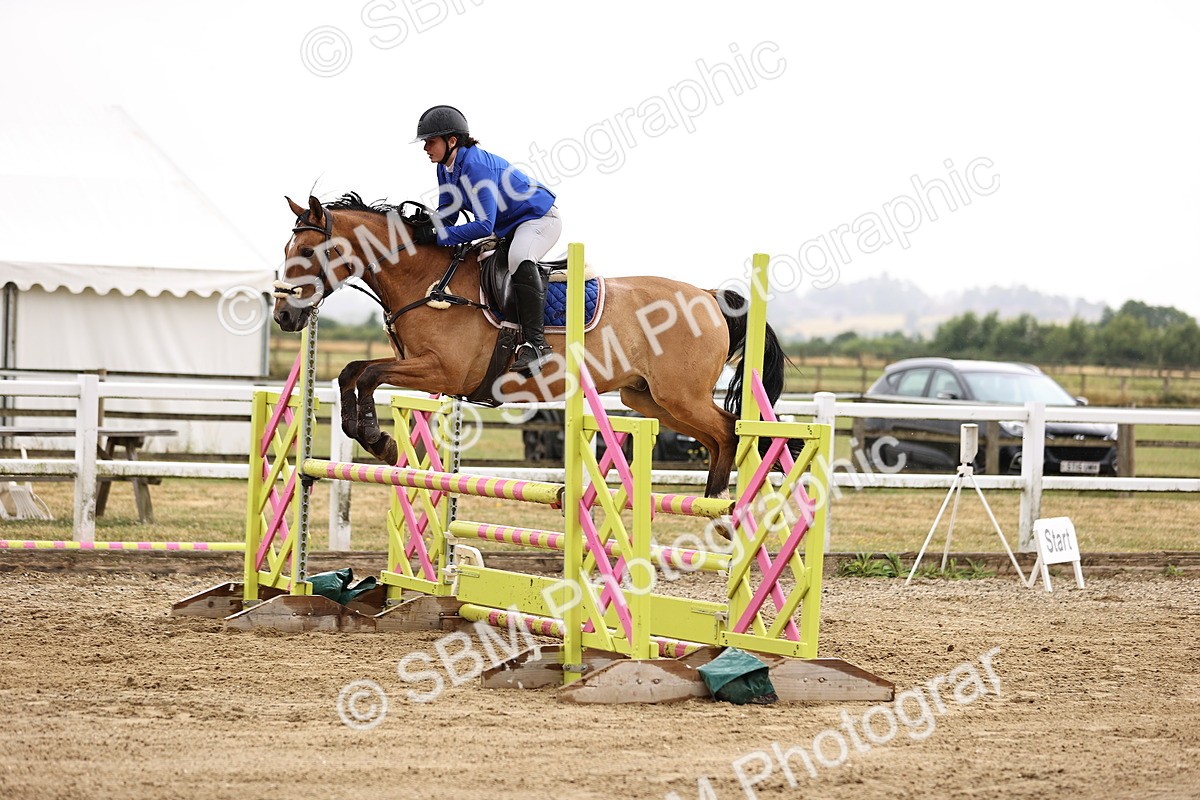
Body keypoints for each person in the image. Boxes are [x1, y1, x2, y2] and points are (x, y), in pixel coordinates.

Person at [409, 105, 562, 377]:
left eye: (430, 142)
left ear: (451, 141)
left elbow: (483, 225)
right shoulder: (446, 168)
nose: (425, 149)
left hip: (539, 219)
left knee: (519, 258)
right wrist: (420, 228)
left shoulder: (475, 167)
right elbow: (449, 214)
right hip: (510, 227)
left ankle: (537, 345)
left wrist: (438, 235)